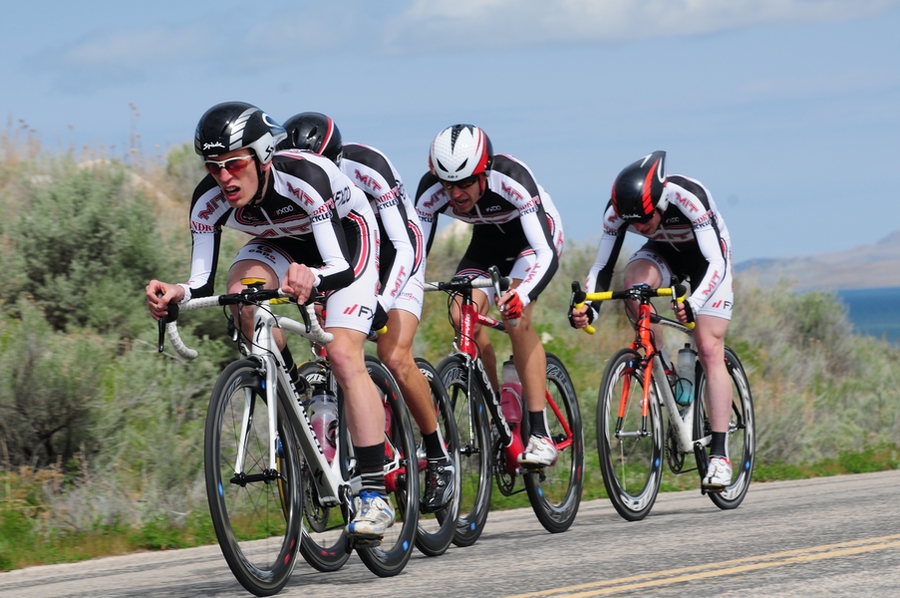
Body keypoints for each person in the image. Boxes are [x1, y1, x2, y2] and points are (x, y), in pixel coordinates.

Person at [145, 101, 394, 540]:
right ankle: (295, 396)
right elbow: (202, 283)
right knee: (241, 299)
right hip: (277, 245)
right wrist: (176, 294)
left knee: (340, 352)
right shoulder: (207, 200)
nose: (223, 178)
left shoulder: (305, 177)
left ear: (262, 157)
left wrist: (312, 277)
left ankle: (375, 493)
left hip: (346, 242)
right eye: (213, 166)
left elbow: (337, 265)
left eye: (234, 165)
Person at [278, 112, 455, 512]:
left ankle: (438, 455)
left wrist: (382, 302)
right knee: (335, 346)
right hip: (345, 253)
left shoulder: (368, 166)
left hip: (395, 253)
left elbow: (402, 242)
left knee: (393, 354)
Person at [569, 150, 735, 491]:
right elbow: (602, 268)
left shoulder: (688, 197)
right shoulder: (617, 214)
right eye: (633, 222)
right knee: (634, 288)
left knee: (707, 345)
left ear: (660, 201)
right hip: (663, 255)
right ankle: (661, 369)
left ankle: (719, 455)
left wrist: (695, 301)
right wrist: (589, 308)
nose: (640, 226)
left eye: (646, 217)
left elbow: (715, 261)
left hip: (707, 263)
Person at [415, 124, 565, 467]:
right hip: (487, 245)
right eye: (447, 183)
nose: (455, 193)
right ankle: (496, 406)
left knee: (515, 315)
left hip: (533, 243)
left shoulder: (512, 178)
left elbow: (546, 254)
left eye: (465, 182)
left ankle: (541, 435)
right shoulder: (430, 191)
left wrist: (522, 295)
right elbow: (414, 254)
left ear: (484, 172)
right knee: (459, 313)